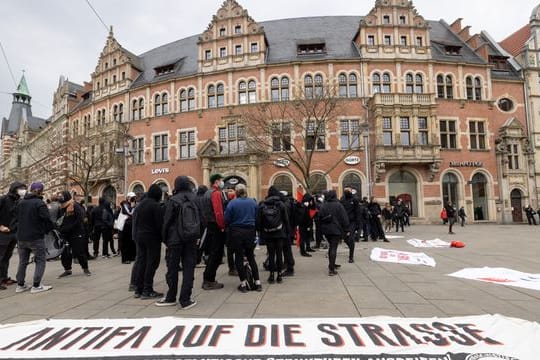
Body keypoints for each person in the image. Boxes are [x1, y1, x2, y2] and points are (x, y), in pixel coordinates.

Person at [156, 176, 202, 309]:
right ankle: (186, 299)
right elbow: (201, 219)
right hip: (191, 238)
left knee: (172, 268)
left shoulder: (173, 200)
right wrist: (198, 235)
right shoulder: (195, 199)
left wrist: (165, 239)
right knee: (189, 268)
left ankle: (171, 297)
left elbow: (167, 221)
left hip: (174, 239)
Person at [14, 182, 55, 294]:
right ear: (41, 191)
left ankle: (20, 285)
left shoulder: (20, 202)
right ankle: (36, 286)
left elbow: (16, 218)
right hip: (35, 237)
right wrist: (50, 229)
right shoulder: (39, 203)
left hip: (21, 237)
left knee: (23, 261)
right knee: (40, 260)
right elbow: (46, 219)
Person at [224, 184, 262, 292]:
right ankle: (258, 282)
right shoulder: (252, 202)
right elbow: (257, 217)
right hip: (250, 232)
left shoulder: (232, 203)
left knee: (239, 258)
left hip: (236, 233)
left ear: (236, 192)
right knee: (251, 257)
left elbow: (226, 219)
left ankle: (243, 284)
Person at [132, 184, 163, 299]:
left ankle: (138, 289)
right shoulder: (155, 206)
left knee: (141, 262)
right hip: (152, 238)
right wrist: (164, 239)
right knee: (152, 263)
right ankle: (147, 289)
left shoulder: (140, 205)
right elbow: (160, 225)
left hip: (140, 237)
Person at [257, 186, 290, 284]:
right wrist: (288, 232)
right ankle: (279, 275)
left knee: (271, 254)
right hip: (279, 233)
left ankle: (271, 275)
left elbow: (259, 220)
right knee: (279, 254)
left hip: (268, 233)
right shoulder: (281, 204)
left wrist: (260, 232)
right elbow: (286, 219)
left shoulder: (262, 205)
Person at [201, 174, 228, 291]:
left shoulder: (207, 193)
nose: (222, 182)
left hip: (210, 224)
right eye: (221, 180)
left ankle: (208, 278)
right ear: (217, 181)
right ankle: (209, 280)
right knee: (216, 254)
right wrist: (222, 226)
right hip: (216, 225)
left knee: (213, 252)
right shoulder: (216, 193)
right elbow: (219, 212)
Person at [57, 190, 91, 278]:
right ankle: (67, 270)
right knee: (65, 253)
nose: (60, 200)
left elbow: (80, 219)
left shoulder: (75, 206)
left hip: (76, 233)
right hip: (65, 234)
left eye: (62, 197)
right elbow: (59, 219)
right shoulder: (61, 207)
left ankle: (85, 268)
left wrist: (70, 227)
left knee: (79, 251)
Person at [0, 182, 26, 290]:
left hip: (13, 233)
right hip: (2, 233)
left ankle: (3, 278)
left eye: (24, 188)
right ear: (14, 189)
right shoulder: (3, 199)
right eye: (21, 188)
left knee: (6, 257)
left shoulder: (19, 201)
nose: (23, 190)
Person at [318, 190, 350, 276]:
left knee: (331, 247)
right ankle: (331, 269)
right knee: (333, 248)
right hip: (336, 229)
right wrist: (347, 229)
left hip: (326, 230)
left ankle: (331, 264)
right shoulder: (338, 205)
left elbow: (319, 218)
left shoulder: (324, 205)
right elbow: (344, 218)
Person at [339, 187, 358, 263]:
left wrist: (358, 224)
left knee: (351, 238)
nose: (347, 191)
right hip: (343, 222)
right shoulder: (342, 199)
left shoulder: (355, 199)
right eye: (345, 190)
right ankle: (351, 247)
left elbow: (358, 212)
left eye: (348, 190)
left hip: (352, 222)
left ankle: (351, 257)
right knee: (345, 238)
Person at [119, 192, 137, 264]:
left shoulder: (134, 205)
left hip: (131, 225)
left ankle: (131, 256)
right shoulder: (125, 204)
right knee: (125, 242)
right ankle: (125, 259)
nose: (133, 199)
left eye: (134, 198)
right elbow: (129, 213)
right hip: (125, 226)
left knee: (131, 242)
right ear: (128, 197)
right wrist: (133, 207)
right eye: (132, 198)